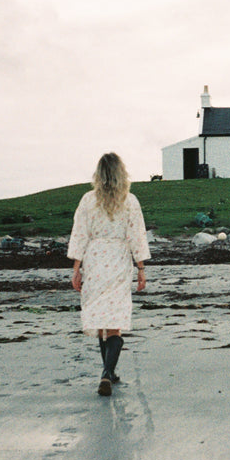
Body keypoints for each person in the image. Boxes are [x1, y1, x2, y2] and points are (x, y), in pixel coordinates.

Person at [68, 153, 150, 396]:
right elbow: (137, 236)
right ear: (121, 173)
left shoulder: (87, 200)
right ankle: (108, 373)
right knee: (114, 322)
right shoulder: (130, 201)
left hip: (94, 260)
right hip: (117, 261)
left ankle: (108, 372)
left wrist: (76, 269)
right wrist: (141, 269)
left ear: (99, 174)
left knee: (101, 321)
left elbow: (80, 234)